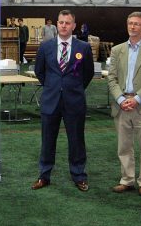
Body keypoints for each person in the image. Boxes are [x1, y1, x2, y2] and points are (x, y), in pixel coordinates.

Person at [31, 10, 94, 192]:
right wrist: (53, 86)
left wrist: (72, 88)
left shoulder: (84, 47)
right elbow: (39, 71)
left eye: (68, 23)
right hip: (51, 101)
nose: (64, 25)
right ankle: (44, 176)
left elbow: (88, 74)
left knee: (76, 141)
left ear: (74, 26)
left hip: (74, 101)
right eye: (61, 22)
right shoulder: (45, 46)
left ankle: (79, 175)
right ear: (56, 24)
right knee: (47, 140)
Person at [108, 12, 141, 197]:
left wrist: (137, 99)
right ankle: (127, 180)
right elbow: (112, 79)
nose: (132, 27)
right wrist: (121, 99)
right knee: (124, 146)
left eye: (137, 24)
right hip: (121, 105)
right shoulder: (117, 50)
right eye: (130, 23)